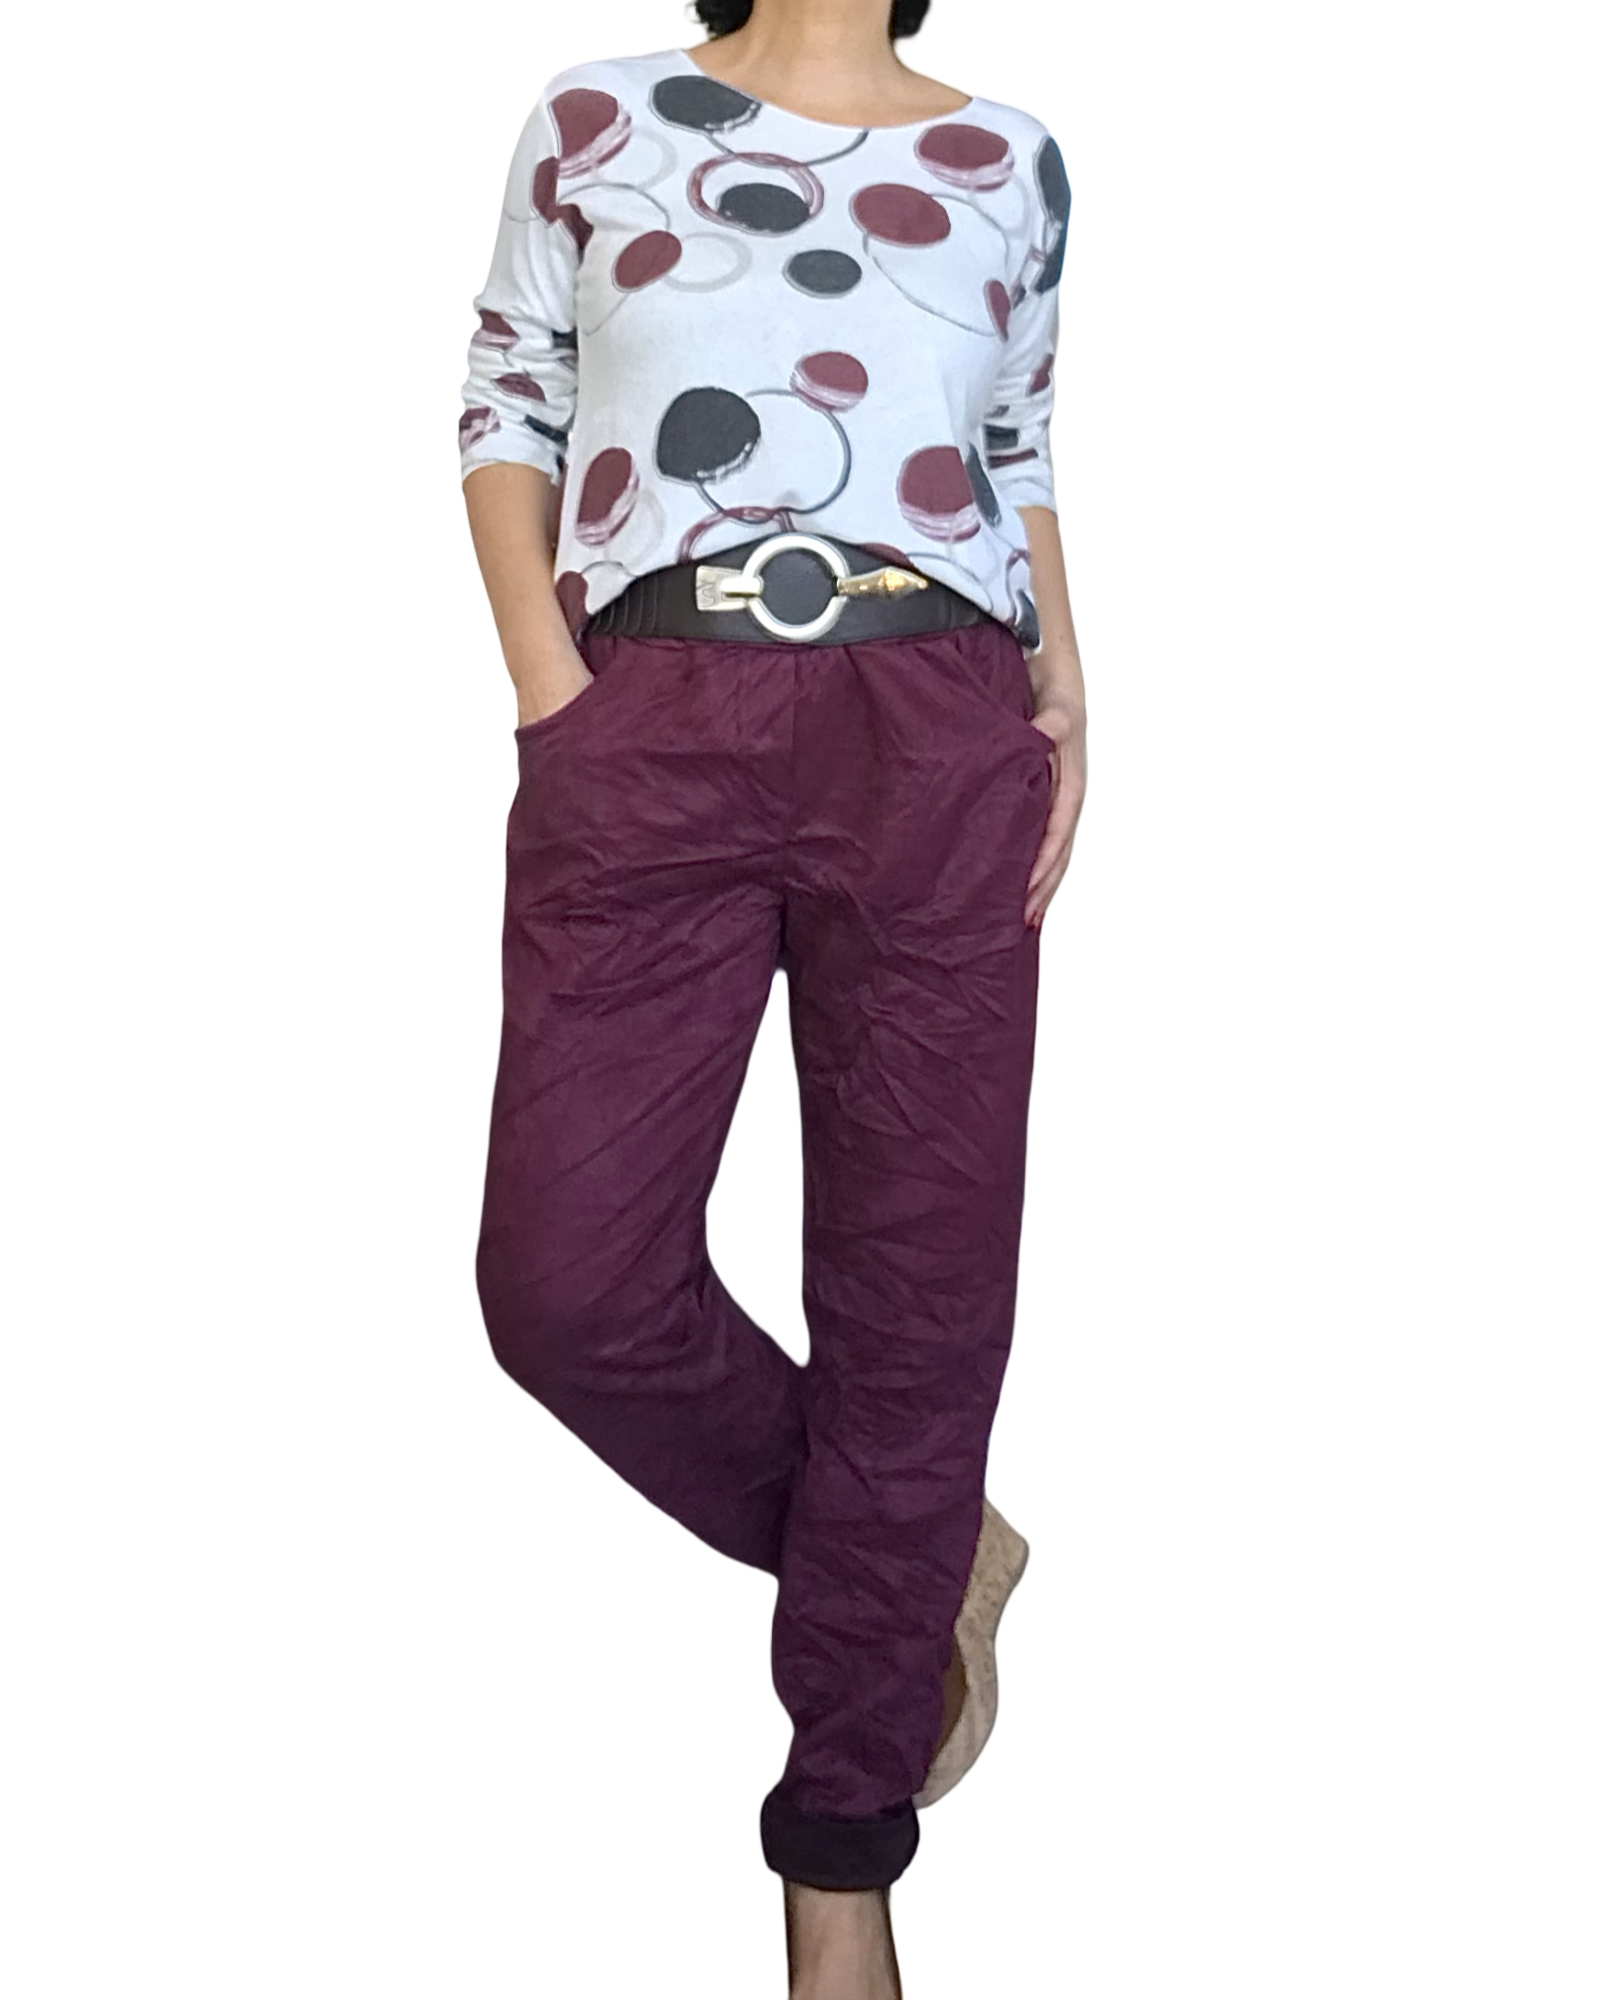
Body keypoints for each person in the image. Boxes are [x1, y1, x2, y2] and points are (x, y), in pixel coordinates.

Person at [458, 3, 1087, 1993]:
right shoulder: (597, 115)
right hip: (653, 711)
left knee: (917, 1288)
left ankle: (840, 1865)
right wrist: (554, 697)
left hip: (943, 716)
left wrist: (1069, 686)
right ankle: (916, 1560)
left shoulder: (1010, 157)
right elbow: (506, 403)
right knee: (567, 1285)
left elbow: (1014, 440)